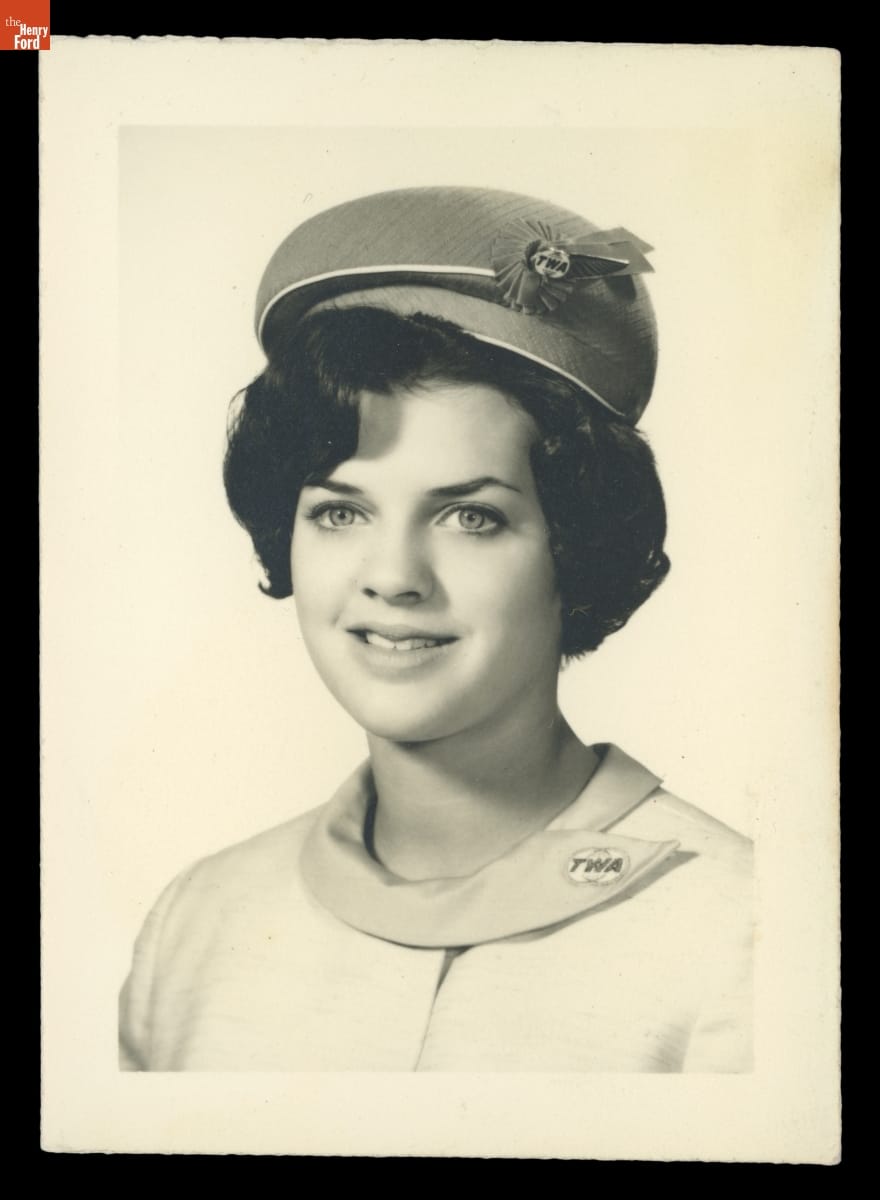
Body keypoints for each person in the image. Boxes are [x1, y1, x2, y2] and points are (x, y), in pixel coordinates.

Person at [119, 186, 752, 1072]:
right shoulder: (195, 924)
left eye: (470, 517)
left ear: (574, 549)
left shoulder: (745, 935)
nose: (393, 577)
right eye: (341, 513)